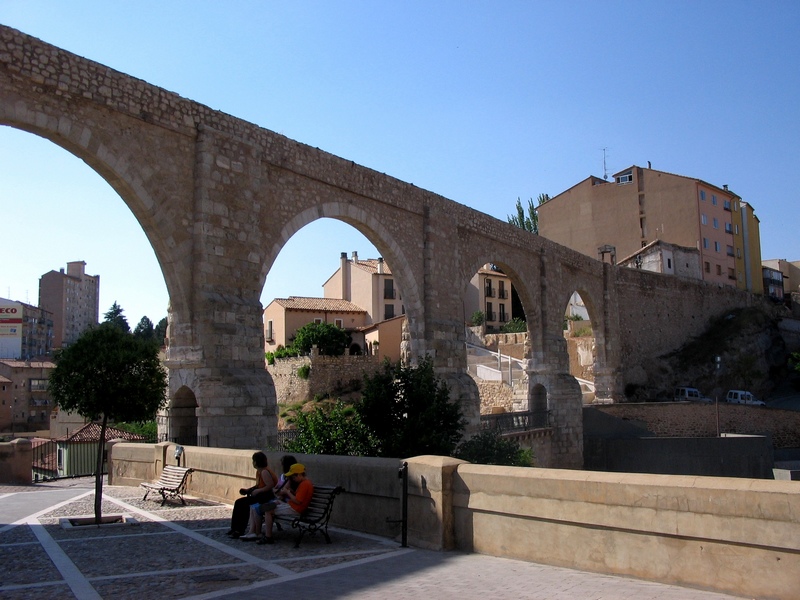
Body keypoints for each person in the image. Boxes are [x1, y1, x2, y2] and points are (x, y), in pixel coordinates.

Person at [243, 454, 298, 540]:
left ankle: (259, 533)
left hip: (285, 502)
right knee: (253, 507)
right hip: (278, 499)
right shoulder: (283, 476)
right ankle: (252, 532)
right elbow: (277, 488)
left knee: (264, 509)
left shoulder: (290, 478)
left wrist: (279, 492)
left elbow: (280, 490)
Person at [257, 462, 314, 545]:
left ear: (298, 475)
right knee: (274, 503)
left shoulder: (305, 484)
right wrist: (291, 492)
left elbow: (298, 501)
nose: (292, 479)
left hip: (295, 508)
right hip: (293, 506)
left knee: (268, 511)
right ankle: (274, 504)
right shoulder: (305, 483)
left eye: (293, 477)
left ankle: (268, 536)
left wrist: (287, 492)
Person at [226, 452, 277, 539]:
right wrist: (248, 490)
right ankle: (235, 528)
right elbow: (259, 485)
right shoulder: (259, 472)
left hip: (265, 497)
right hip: (260, 495)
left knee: (243, 505)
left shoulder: (264, 471)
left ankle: (239, 530)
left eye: (253, 461)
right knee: (239, 503)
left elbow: (270, 485)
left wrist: (258, 491)